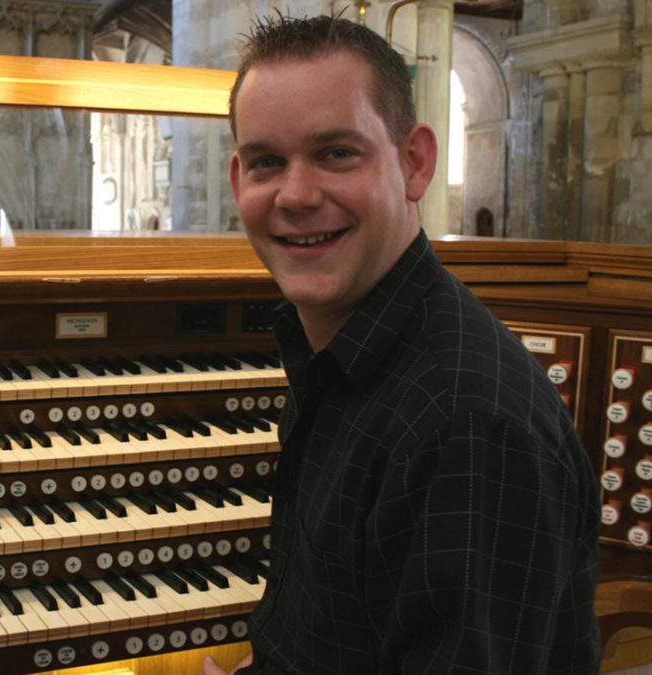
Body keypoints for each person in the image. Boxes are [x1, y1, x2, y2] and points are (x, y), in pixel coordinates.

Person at [202, 13, 601, 675]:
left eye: (336, 153)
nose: (295, 195)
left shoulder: (466, 426)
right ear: (240, 181)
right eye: (268, 162)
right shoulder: (349, 347)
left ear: (414, 163)